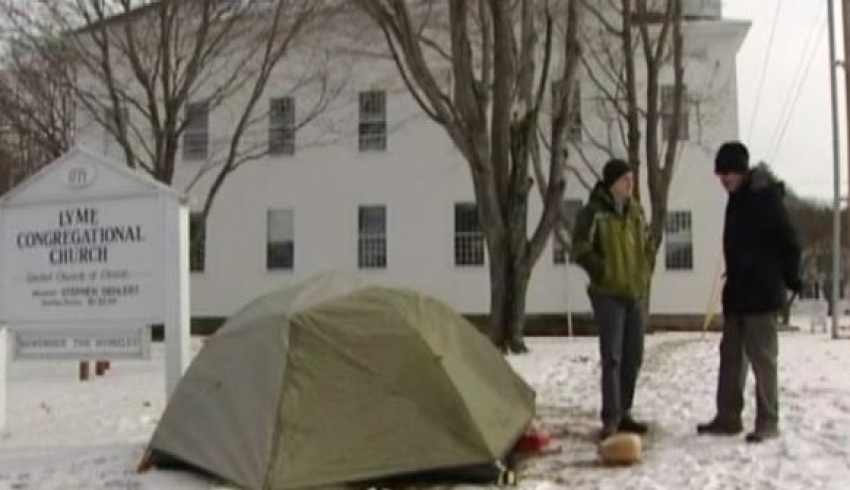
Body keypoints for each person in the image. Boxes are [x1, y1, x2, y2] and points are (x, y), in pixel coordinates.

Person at [697, 141, 802, 443]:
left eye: (727, 173)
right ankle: (728, 417)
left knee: (763, 358)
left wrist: (791, 277)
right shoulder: (736, 199)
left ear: (741, 171)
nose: (723, 179)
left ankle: (768, 420)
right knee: (731, 358)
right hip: (738, 292)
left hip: (762, 292)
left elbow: (788, 241)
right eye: (720, 174)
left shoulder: (765, 198)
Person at [571, 158, 652, 441]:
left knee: (634, 356)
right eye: (624, 179)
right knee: (613, 357)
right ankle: (611, 416)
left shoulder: (637, 212)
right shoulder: (593, 213)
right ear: (611, 183)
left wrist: (644, 273)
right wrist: (603, 271)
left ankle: (626, 411)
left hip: (635, 292)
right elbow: (579, 248)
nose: (630, 184)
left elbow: (648, 244)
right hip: (608, 295)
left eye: (631, 179)